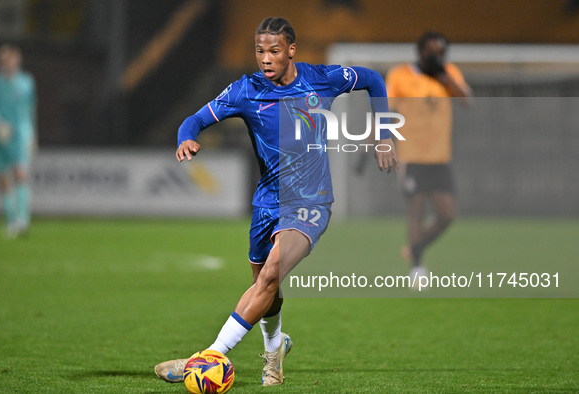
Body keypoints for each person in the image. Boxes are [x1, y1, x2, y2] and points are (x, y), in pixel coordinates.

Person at [154, 17, 398, 387]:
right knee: (266, 290)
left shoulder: (321, 79)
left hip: (311, 203)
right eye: (259, 51)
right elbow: (194, 120)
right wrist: (184, 138)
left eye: (274, 51)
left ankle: (208, 357)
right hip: (266, 203)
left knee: (268, 276)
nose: (265, 59)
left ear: (291, 51)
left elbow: (373, 80)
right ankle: (275, 348)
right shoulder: (245, 90)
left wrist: (383, 134)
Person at [385, 32, 471, 286]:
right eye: (432, 51)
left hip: (440, 156)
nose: (437, 56)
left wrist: (443, 76)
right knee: (417, 211)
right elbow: (387, 111)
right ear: (420, 50)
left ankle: (414, 247)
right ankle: (417, 266)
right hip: (412, 155)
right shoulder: (400, 75)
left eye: (441, 52)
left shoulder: (449, 73)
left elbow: (466, 100)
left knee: (446, 215)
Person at [0, 44, 37, 238]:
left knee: (21, 173)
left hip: (19, 134)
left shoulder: (26, 82)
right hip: (0, 136)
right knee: (3, 179)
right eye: (4, 60)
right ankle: (10, 219)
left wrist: (32, 133)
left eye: (11, 59)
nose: (8, 63)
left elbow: (30, 109)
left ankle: (23, 219)